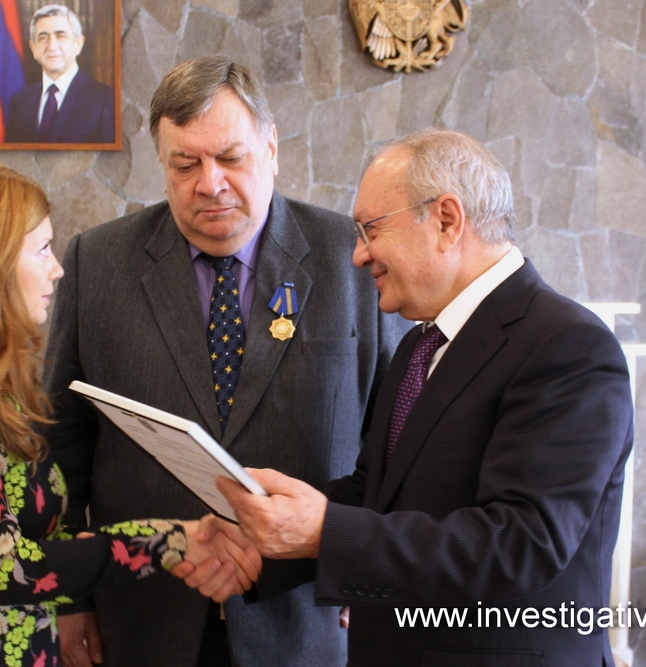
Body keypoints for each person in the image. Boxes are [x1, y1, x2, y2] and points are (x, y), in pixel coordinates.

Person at [214, 129, 635, 665]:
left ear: (446, 220)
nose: (358, 255)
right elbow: (377, 494)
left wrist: (322, 531)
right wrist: (259, 540)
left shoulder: (568, 346)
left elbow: (522, 544)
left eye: (370, 229)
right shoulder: (421, 343)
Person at [43, 56, 411, 666]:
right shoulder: (96, 263)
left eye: (230, 158)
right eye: (185, 164)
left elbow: (398, 436)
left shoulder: (350, 259)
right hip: (143, 617)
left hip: (306, 617)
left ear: (271, 149)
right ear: (162, 164)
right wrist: (69, 598)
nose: (209, 183)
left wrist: (367, 566)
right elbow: (59, 449)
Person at [0, 159, 259, 667]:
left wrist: (176, 541)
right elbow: (2, 568)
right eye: (42, 249)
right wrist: (169, 543)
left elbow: (42, 539)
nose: (58, 269)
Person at [5, 4, 115, 144]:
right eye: (43, 38)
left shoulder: (104, 100)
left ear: (78, 44)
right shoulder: (20, 102)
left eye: (61, 36)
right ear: (33, 48)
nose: (51, 46)